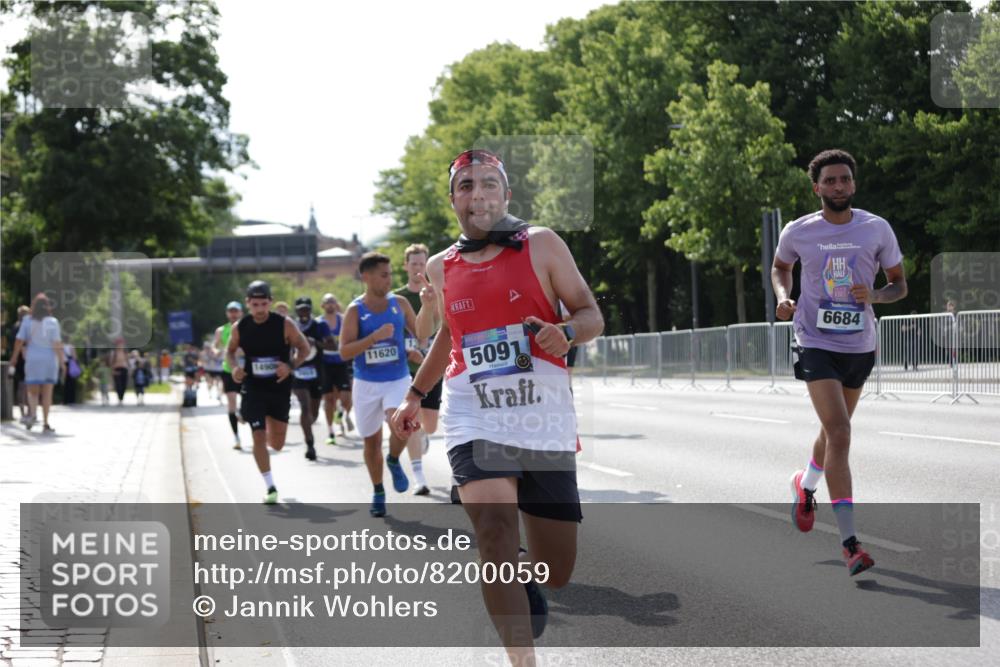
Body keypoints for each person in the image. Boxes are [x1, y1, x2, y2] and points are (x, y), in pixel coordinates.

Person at [391, 149, 603, 657]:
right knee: (494, 530)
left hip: (541, 416)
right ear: (453, 201)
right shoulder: (442, 267)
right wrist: (416, 396)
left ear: (506, 195)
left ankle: (523, 573)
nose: (478, 194)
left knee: (555, 571)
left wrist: (567, 332)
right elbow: (449, 336)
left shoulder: (543, 244)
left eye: (489, 184)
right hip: (473, 412)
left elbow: (591, 313)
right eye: (466, 186)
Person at [773, 149, 907, 577]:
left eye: (844, 179)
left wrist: (877, 296)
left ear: (854, 184)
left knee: (833, 432)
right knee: (841, 432)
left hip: (859, 345)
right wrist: (783, 297)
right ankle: (850, 543)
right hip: (814, 339)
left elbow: (898, 285)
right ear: (817, 188)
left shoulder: (875, 228)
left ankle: (805, 485)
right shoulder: (799, 231)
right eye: (829, 181)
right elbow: (781, 267)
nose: (838, 186)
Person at [339, 252, 434, 517]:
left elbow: (422, 335)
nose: (389, 279)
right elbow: (344, 351)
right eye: (384, 275)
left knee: (399, 422)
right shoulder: (355, 310)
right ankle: (378, 490)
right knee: (371, 443)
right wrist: (374, 338)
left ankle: (393, 459)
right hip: (366, 383)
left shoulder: (400, 303)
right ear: (366, 277)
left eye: (391, 273)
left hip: (397, 378)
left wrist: (416, 346)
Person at [226, 280, 311, 505]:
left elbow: (305, 348)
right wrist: (235, 367)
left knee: (278, 444)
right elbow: (230, 352)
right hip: (253, 387)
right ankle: (270, 486)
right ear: (248, 304)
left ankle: (261, 418)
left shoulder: (285, 324)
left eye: (264, 304)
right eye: (255, 304)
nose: (260, 309)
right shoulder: (240, 327)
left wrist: (290, 366)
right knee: (258, 436)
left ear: (270, 302)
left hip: (279, 387)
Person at [393, 243, 442, 495]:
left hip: (432, 367)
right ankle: (419, 477)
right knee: (412, 419)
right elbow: (387, 337)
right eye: (413, 264)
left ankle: (423, 435)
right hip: (404, 371)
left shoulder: (437, 294)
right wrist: (404, 351)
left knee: (430, 426)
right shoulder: (396, 299)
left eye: (422, 264)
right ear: (405, 266)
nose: (418, 268)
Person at [9, 293, 66, 432]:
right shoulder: (53, 322)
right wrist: (62, 362)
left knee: (32, 391)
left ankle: (33, 413)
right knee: (47, 393)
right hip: (49, 360)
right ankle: (45, 423)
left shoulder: (27, 321)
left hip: (33, 359)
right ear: (47, 307)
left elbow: (19, 341)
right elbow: (56, 344)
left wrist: (14, 358)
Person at [290, 296, 337, 461]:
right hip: (298, 371)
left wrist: (315, 342)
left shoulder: (320, 326)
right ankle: (310, 445)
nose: (304, 312)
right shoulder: (291, 326)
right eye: (301, 309)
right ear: (296, 310)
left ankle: (307, 427)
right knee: (304, 406)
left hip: (316, 372)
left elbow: (333, 345)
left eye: (306, 309)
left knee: (314, 413)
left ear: (310, 310)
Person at [319, 293, 354, 443]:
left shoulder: (344, 319)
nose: (330, 305)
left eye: (333, 302)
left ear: (336, 304)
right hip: (325, 364)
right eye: (327, 302)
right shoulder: (319, 323)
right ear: (323, 306)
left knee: (346, 398)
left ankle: (343, 415)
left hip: (342, 362)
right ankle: (331, 431)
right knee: (329, 399)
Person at [213, 301, 245, 449]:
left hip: (246, 370)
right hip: (228, 370)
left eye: (236, 311)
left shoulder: (247, 327)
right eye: (231, 311)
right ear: (227, 313)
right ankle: (236, 437)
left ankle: (248, 419)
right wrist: (216, 351)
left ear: (241, 312)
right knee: (231, 403)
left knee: (249, 402)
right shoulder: (221, 330)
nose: (233, 314)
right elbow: (215, 345)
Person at [109, 339, 130, 405]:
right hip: (116, 369)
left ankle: (121, 398)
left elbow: (127, 361)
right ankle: (119, 398)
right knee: (118, 385)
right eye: (119, 344)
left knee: (124, 385)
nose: (120, 346)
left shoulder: (125, 352)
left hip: (124, 369)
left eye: (122, 344)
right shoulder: (114, 353)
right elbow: (111, 363)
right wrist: (112, 371)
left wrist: (129, 370)